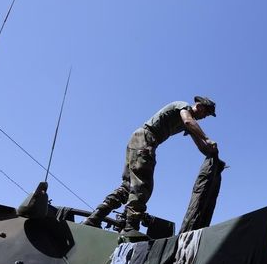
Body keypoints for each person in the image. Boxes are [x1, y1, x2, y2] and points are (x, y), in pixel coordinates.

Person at [83, 96, 218, 232]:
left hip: (139, 140)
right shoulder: (183, 106)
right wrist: (207, 138)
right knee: (143, 185)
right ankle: (131, 228)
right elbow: (189, 121)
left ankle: (94, 218)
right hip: (145, 139)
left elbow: (200, 144)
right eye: (205, 113)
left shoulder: (189, 122)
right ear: (200, 106)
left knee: (128, 187)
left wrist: (211, 154)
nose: (204, 117)